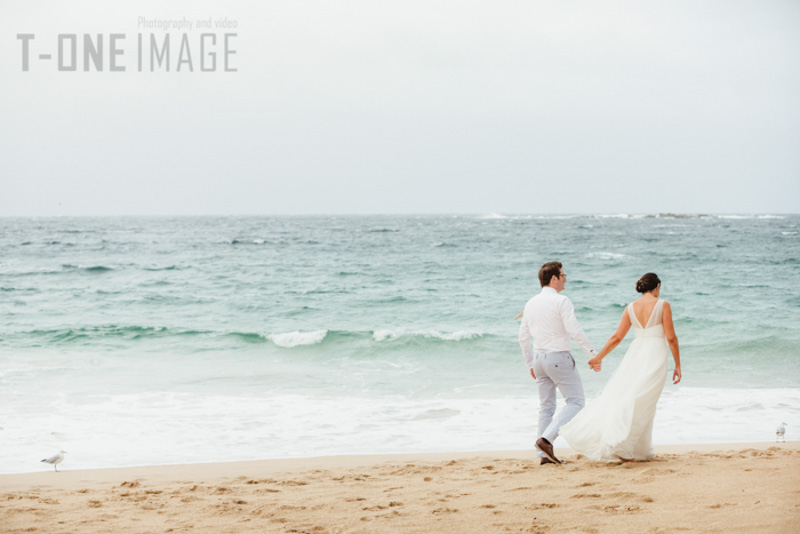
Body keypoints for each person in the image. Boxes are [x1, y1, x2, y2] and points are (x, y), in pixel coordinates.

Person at [559, 273, 681, 462]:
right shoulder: (662, 304)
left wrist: (599, 357)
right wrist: (678, 365)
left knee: (634, 397)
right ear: (657, 287)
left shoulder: (630, 308)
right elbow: (671, 337)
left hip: (636, 353)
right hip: (655, 354)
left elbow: (617, 337)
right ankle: (622, 446)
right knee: (645, 401)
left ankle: (641, 450)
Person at [519, 261, 598, 465]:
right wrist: (591, 352)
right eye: (563, 276)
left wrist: (530, 364)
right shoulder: (561, 301)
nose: (565, 280)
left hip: (539, 359)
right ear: (553, 278)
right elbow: (574, 329)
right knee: (576, 401)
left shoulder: (530, 303)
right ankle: (546, 440)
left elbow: (523, 337)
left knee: (546, 407)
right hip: (558, 358)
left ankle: (543, 455)